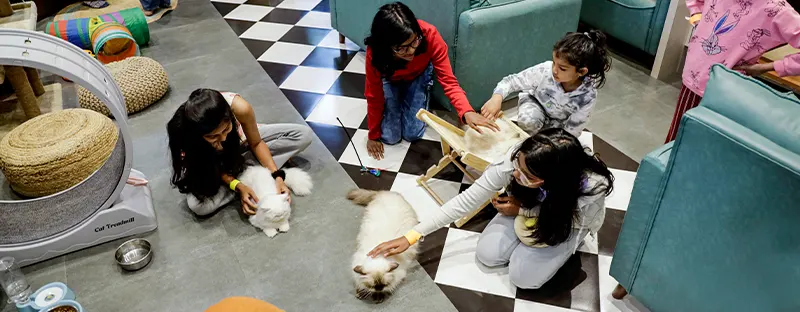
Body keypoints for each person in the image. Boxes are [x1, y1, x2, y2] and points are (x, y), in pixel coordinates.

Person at [369, 128, 614, 289]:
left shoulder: (591, 186)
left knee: (523, 278)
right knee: (487, 255)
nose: (515, 174)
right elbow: (467, 200)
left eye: (526, 175)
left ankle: (561, 250)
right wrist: (412, 235)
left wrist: (523, 211)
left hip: (562, 224)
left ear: (553, 179)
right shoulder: (517, 159)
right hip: (525, 208)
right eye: (517, 166)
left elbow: (574, 221)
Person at [363, 2, 498, 160]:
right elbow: (373, 95)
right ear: (387, 46)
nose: (411, 50)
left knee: (412, 133)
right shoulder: (376, 52)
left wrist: (466, 112)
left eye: (414, 42)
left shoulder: (429, 34)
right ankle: (398, 100)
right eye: (402, 48)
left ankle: (414, 95)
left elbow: (449, 81)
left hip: (417, 76)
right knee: (389, 137)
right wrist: (373, 135)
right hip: (390, 79)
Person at [665, 0, 800, 142]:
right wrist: (699, 18)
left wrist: (768, 67)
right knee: (677, 142)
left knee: (702, 147)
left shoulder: (777, 10)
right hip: (695, 79)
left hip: (727, 89)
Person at [167, 89, 312, 216]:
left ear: (230, 116)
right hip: (211, 165)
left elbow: (256, 142)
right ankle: (249, 174)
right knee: (198, 206)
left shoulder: (239, 107)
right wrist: (238, 186)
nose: (223, 138)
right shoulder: (184, 133)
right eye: (213, 136)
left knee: (302, 135)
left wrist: (277, 176)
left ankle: (248, 171)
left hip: (243, 142)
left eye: (226, 130)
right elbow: (207, 166)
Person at [480, 31, 611, 138]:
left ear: (581, 72)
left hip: (558, 122)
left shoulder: (588, 95)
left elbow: (573, 130)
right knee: (529, 122)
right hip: (535, 103)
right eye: (554, 62)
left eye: (562, 68)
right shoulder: (545, 71)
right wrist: (496, 98)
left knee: (554, 144)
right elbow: (511, 82)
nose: (554, 70)